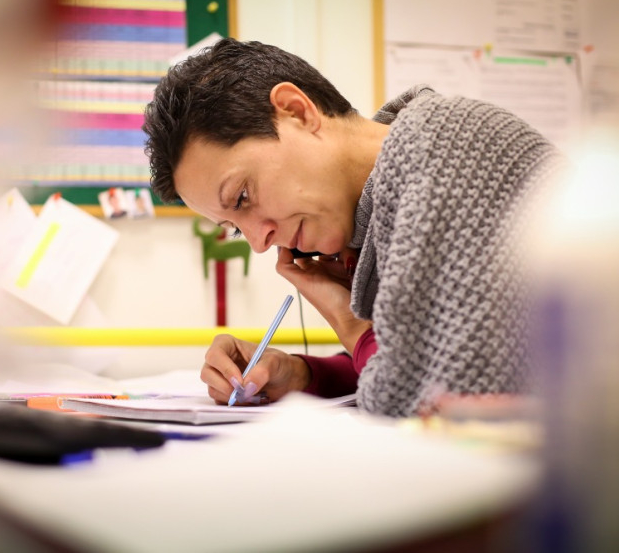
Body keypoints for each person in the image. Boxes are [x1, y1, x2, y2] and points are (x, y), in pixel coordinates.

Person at [142, 38, 566, 417]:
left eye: (242, 197)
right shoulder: (388, 198)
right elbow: (417, 361)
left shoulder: (441, 151)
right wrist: (301, 374)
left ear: (296, 111)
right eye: (234, 227)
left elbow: (433, 406)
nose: (258, 241)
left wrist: (350, 323)